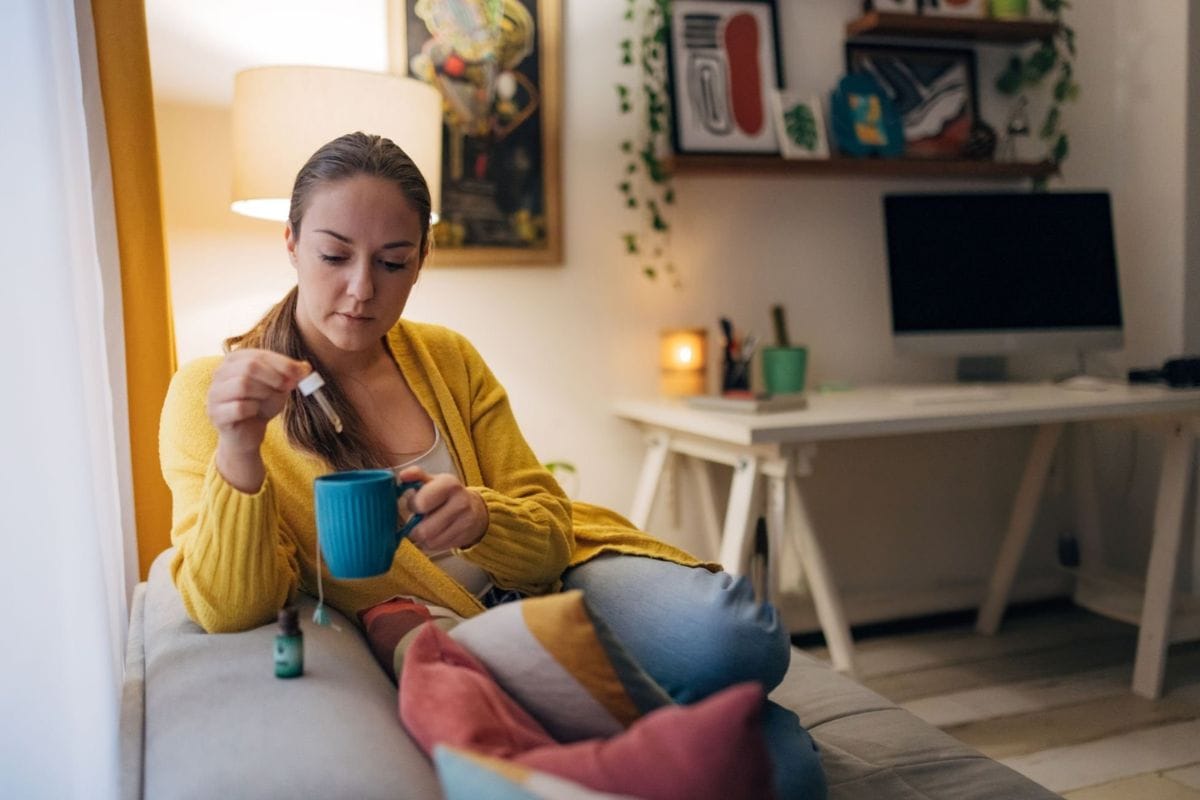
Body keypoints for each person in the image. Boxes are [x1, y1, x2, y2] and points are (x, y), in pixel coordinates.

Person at [159, 131, 825, 797]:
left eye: (393, 263)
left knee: (743, 643)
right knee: (788, 772)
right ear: (291, 243)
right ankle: (692, 743)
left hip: (555, 583)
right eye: (334, 255)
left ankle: (684, 739)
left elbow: (546, 536)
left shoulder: (447, 357)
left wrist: (481, 517)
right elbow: (229, 607)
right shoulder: (215, 393)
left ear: (422, 260)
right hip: (457, 636)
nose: (361, 290)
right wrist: (240, 449)